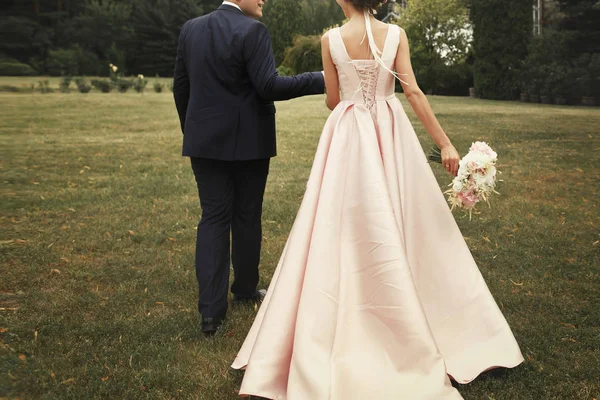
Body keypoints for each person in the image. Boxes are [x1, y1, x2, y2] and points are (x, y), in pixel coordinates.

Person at [231, 0, 524, 398]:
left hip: (347, 135)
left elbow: (333, 100)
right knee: (407, 216)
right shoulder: (396, 35)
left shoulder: (330, 39)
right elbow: (413, 91)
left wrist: (351, 94)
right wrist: (446, 144)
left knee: (339, 219)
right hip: (390, 131)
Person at [173, 0, 325, 336]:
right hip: (249, 144)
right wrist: (321, 78)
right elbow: (268, 85)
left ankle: (210, 315)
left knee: (212, 218)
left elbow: (180, 88)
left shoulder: (191, 29)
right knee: (245, 215)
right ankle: (244, 290)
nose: (263, 0)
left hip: (204, 144)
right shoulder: (253, 30)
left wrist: (195, 131)